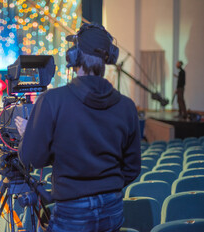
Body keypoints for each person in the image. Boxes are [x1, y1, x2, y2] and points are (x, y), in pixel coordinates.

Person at [15, 24, 141, 232]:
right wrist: (105, 186)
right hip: (113, 208)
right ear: (109, 58)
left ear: (73, 57)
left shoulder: (52, 100)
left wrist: (27, 134)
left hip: (73, 212)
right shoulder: (127, 106)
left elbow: (31, 159)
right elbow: (132, 167)